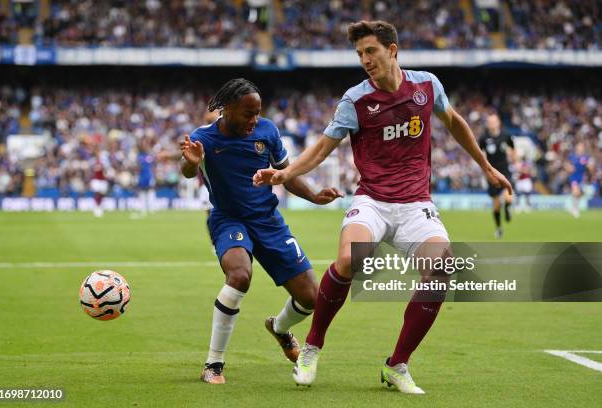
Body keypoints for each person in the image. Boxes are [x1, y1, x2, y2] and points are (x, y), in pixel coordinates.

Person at [254, 20, 512, 393]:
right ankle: (311, 346)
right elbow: (324, 148)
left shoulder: (427, 86)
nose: (365, 60)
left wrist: (486, 166)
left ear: (392, 50)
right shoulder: (355, 100)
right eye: (360, 54)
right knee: (347, 260)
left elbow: (454, 122)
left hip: (415, 205)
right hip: (372, 200)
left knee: (442, 268)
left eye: (371, 51)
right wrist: (286, 173)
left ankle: (397, 365)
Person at [180, 78, 342, 384]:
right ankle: (213, 364)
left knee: (311, 297)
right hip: (228, 219)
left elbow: (287, 173)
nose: (254, 120)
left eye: (257, 112)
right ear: (226, 109)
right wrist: (191, 164)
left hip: (268, 219)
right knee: (240, 275)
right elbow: (187, 170)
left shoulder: (267, 131)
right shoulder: (205, 138)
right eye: (247, 113)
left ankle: (279, 328)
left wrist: (313, 196)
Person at [478, 113, 516, 238]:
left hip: (505, 171)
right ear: (487, 124)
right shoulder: (483, 138)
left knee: (509, 194)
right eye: (489, 122)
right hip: (492, 174)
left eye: (494, 121)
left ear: (498, 122)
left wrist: (516, 160)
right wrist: (484, 168)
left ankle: (508, 208)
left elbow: (513, 147)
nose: (492, 124)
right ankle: (499, 228)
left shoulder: (506, 135)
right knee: (496, 204)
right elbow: (479, 153)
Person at [565, 142, 593, 218]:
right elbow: (567, 165)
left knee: (580, 194)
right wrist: (569, 168)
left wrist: (589, 168)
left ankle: (574, 207)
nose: (581, 148)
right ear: (577, 148)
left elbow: (589, 167)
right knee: (576, 191)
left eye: (582, 146)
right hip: (574, 177)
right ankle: (575, 209)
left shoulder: (585, 157)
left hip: (581, 178)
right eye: (580, 146)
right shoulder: (572, 156)